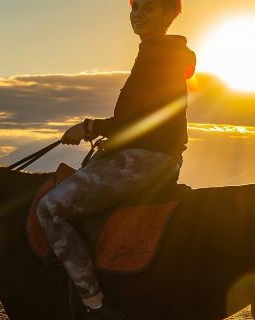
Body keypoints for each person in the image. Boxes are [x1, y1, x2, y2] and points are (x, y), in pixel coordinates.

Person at [35, 0, 196, 319]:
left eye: (148, 8)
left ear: (168, 15)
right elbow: (141, 120)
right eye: (134, 9)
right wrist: (111, 136)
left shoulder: (159, 53)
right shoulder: (155, 51)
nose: (138, 15)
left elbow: (150, 118)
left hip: (147, 158)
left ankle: (95, 305)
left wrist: (90, 126)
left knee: (49, 208)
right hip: (149, 153)